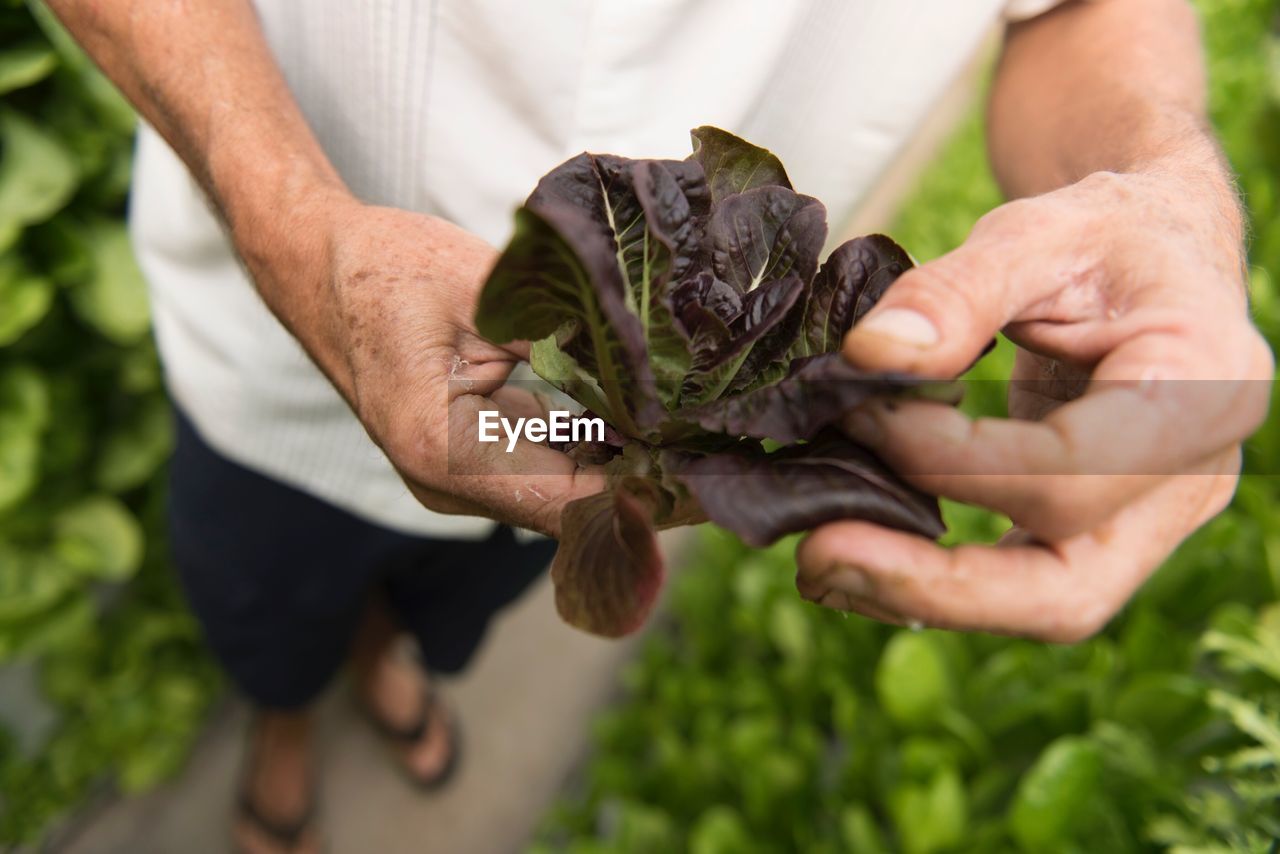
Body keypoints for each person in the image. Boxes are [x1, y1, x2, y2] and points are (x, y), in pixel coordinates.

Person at [45, 0, 1272, 852]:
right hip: (275, 332)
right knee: (265, 594)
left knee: (469, 584)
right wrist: (290, 223)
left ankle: (384, 661)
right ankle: (283, 720)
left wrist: (1160, 188)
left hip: (575, 448)